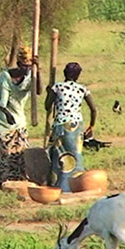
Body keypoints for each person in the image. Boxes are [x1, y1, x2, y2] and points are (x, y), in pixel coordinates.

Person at [45, 62, 97, 192]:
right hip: (76, 126)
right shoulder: (82, 89)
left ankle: (59, 186)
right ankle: (76, 184)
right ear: (78, 75)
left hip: (61, 126)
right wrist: (92, 125)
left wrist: (48, 92)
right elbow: (94, 109)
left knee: (59, 156)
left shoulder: (57, 87)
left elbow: (47, 106)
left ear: (64, 73)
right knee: (75, 154)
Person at [0, 46, 38, 186]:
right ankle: (3, 185)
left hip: (20, 124)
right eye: (24, 66)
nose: (27, 69)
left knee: (21, 157)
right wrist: (7, 114)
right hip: (3, 124)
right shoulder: (4, 77)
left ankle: (19, 186)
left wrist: (38, 70)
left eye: (29, 67)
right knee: (4, 157)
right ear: (18, 64)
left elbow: (39, 90)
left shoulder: (29, 77)